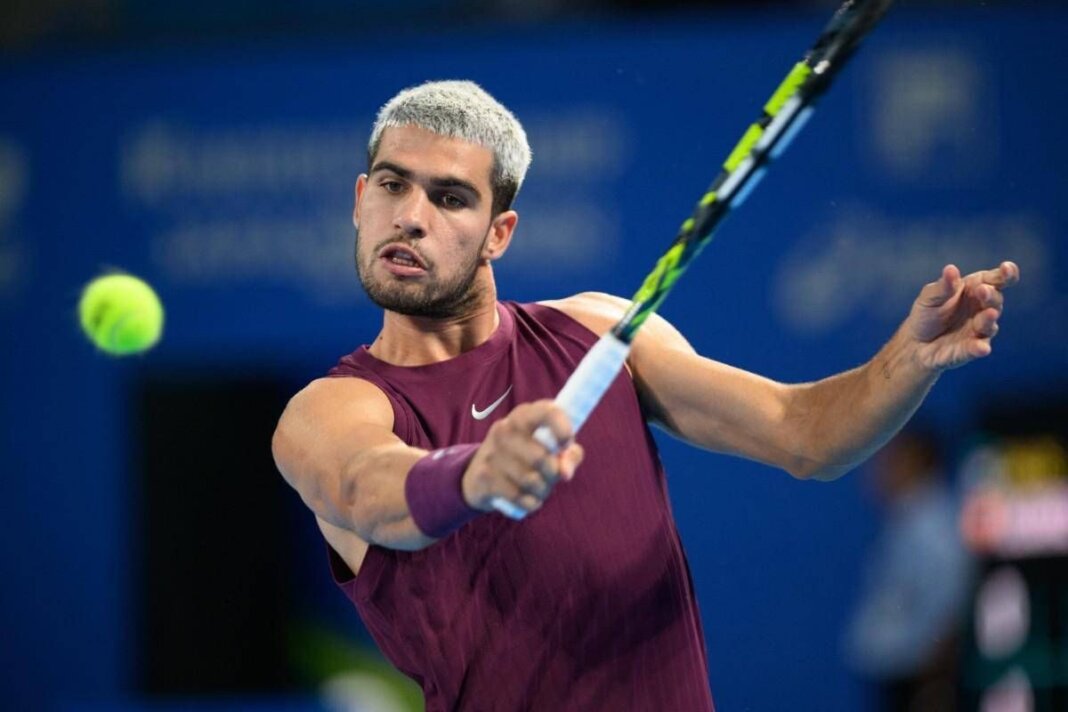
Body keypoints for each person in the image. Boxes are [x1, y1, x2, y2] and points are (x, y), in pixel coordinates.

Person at [271, 80, 1019, 711]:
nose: (411, 216)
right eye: (393, 185)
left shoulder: (600, 332)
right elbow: (369, 488)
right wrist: (475, 473)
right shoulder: (329, 411)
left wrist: (907, 360)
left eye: (450, 197)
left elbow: (803, 433)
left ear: (499, 233)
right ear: (361, 199)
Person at [844, 429, 974, 712]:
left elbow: (952, 606)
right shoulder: (908, 521)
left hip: (921, 682)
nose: (875, 467)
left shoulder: (932, 527)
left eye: (888, 457)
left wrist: (935, 682)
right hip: (904, 678)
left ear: (914, 460)